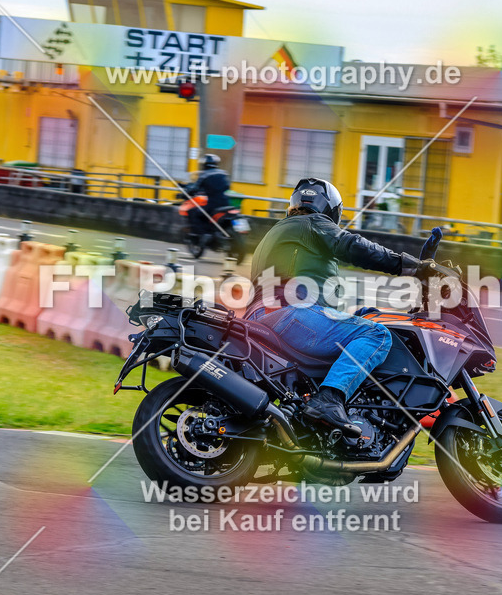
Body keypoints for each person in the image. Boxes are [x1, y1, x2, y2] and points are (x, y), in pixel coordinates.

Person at [245, 177, 429, 437]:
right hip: (289, 313)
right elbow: (353, 246)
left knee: (364, 321)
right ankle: (329, 399)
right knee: (376, 334)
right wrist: (411, 267)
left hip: (264, 316)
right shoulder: (312, 223)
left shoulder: (279, 232)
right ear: (331, 209)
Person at [183, 154, 232, 245]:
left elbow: (194, 188)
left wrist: (187, 191)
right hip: (226, 202)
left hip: (213, 203)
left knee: (194, 212)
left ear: (204, 164)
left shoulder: (204, 175)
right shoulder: (224, 173)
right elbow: (227, 186)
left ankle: (204, 234)